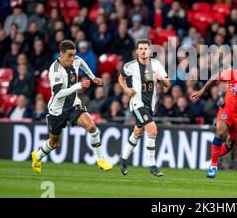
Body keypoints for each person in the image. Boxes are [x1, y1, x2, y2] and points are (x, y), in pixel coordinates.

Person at [31, 40, 112, 173]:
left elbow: (82, 63)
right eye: (70, 55)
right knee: (54, 143)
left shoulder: (75, 60)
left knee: (91, 126)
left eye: (74, 55)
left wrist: (93, 77)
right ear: (61, 55)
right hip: (57, 109)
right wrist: (79, 85)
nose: (73, 58)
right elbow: (58, 94)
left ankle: (100, 160)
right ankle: (37, 156)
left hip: (73, 104)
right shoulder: (55, 70)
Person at [118, 39, 170, 177]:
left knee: (138, 132)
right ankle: (152, 164)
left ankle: (123, 158)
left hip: (150, 105)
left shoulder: (156, 64)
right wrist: (126, 89)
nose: (143, 51)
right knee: (152, 130)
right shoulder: (131, 66)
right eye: (140, 48)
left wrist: (161, 79)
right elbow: (121, 78)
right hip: (137, 103)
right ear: (137, 51)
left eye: (145, 48)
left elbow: (167, 84)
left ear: (150, 50)